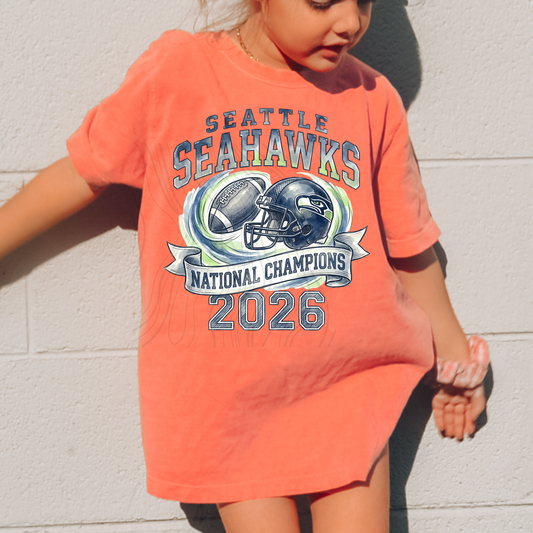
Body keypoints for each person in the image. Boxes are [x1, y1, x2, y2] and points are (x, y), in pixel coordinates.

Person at [0, 1, 489, 531]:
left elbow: (411, 245)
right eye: (322, 1)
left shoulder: (371, 97)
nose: (350, 22)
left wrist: (455, 363)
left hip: (347, 386)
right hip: (227, 399)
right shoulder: (178, 72)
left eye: (365, 0)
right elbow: (81, 172)